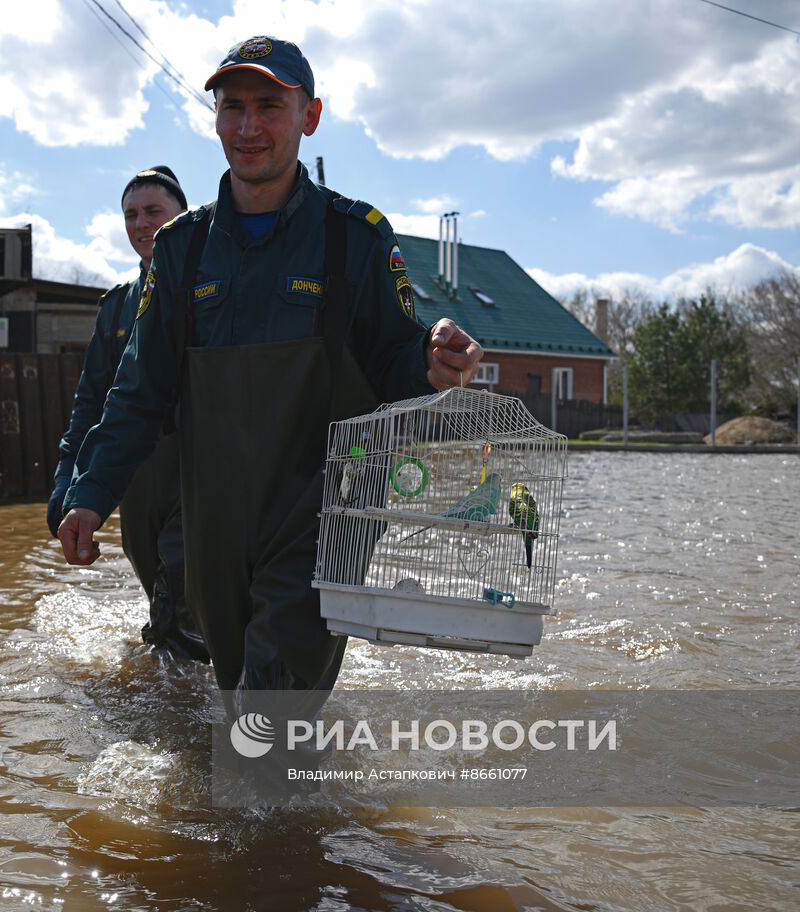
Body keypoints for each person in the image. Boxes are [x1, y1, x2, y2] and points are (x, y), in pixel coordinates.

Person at [58, 37, 482, 712]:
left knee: (271, 705)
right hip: (218, 515)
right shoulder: (182, 250)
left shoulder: (356, 237)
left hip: (330, 502)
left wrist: (433, 362)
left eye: (269, 106)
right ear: (216, 118)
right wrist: (89, 491)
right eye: (233, 107)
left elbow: (394, 367)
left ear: (309, 116)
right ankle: (283, 813)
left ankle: (277, 808)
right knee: (235, 693)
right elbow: (139, 391)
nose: (249, 127)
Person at [48, 166, 209, 663]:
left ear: (182, 215)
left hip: (203, 466)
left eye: (154, 212)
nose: (142, 224)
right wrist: (68, 492)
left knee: (181, 591)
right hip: (136, 472)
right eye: (131, 215)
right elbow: (90, 404)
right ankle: (178, 695)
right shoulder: (116, 307)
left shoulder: (213, 290)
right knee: (156, 585)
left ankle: (183, 719)